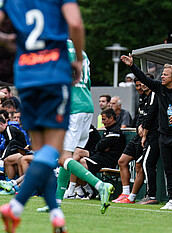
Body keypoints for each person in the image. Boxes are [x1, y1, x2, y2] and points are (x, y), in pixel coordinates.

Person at [0, 0, 85, 232]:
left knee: (41, 154)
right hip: (53, 75)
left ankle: (56, 215)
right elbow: (75, 23)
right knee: (53, 150)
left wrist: (7, 40)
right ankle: (15, 207)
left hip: (25, 76)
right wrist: (77, 58)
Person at [36, 40, 114, 214]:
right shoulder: (81, 52)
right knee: (68, 156)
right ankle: (55, 203)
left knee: (63, 158)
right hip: (86, 106)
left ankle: (100, 185)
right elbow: (87, 83)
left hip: (71, 108)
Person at [121, 54, 172, 210]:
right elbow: (144, 79)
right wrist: (131, 66)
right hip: (164, 136)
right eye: (162, 74)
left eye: (165, 74)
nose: (162, 76)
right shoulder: (160, 89)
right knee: (168, 169)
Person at [112, 77, 146, 204]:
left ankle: (132, 197)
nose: (139, 88)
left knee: (139, 166)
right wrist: (139, 127)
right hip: (137, 136)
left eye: (141, 85)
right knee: (122, 161)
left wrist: (145, 130)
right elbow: (139, 119)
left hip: (147, 137)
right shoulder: (141, 99)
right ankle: (125, 193)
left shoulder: (153, 97)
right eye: (137, 86)